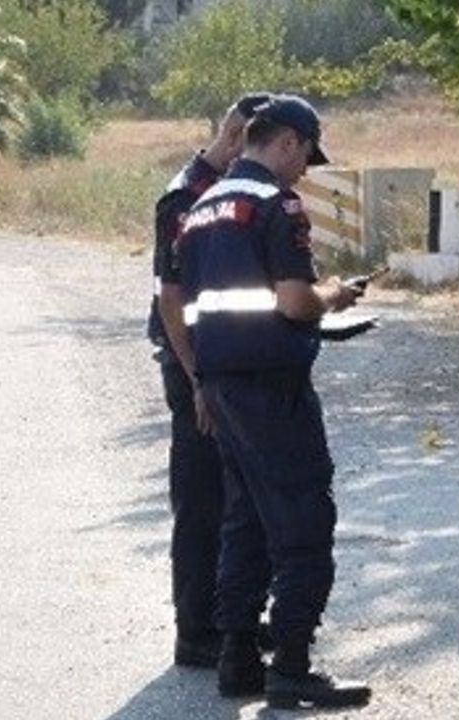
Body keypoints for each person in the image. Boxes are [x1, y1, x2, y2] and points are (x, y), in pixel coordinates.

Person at [177, 95, 372, 709]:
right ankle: (291, 663)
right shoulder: (275, 203)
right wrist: (333, 295)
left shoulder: (202, 206)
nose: (305, 172)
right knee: (304, 522)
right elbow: (293, 302)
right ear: (288, 142)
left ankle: (238, 658)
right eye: (306, 157)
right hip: (271, 389)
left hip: (221, 385)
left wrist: (203, 381)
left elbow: (190, 303)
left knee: (246, 523)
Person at [148, 93, 271, 669]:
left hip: (230, 365)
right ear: (238, 138)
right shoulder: (186, 196)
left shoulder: (234, 191)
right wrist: (199, 379)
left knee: (238, 498)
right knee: (202, 501)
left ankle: (232, 619)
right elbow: (171, 300)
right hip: (194, 366)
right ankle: (196, 630)